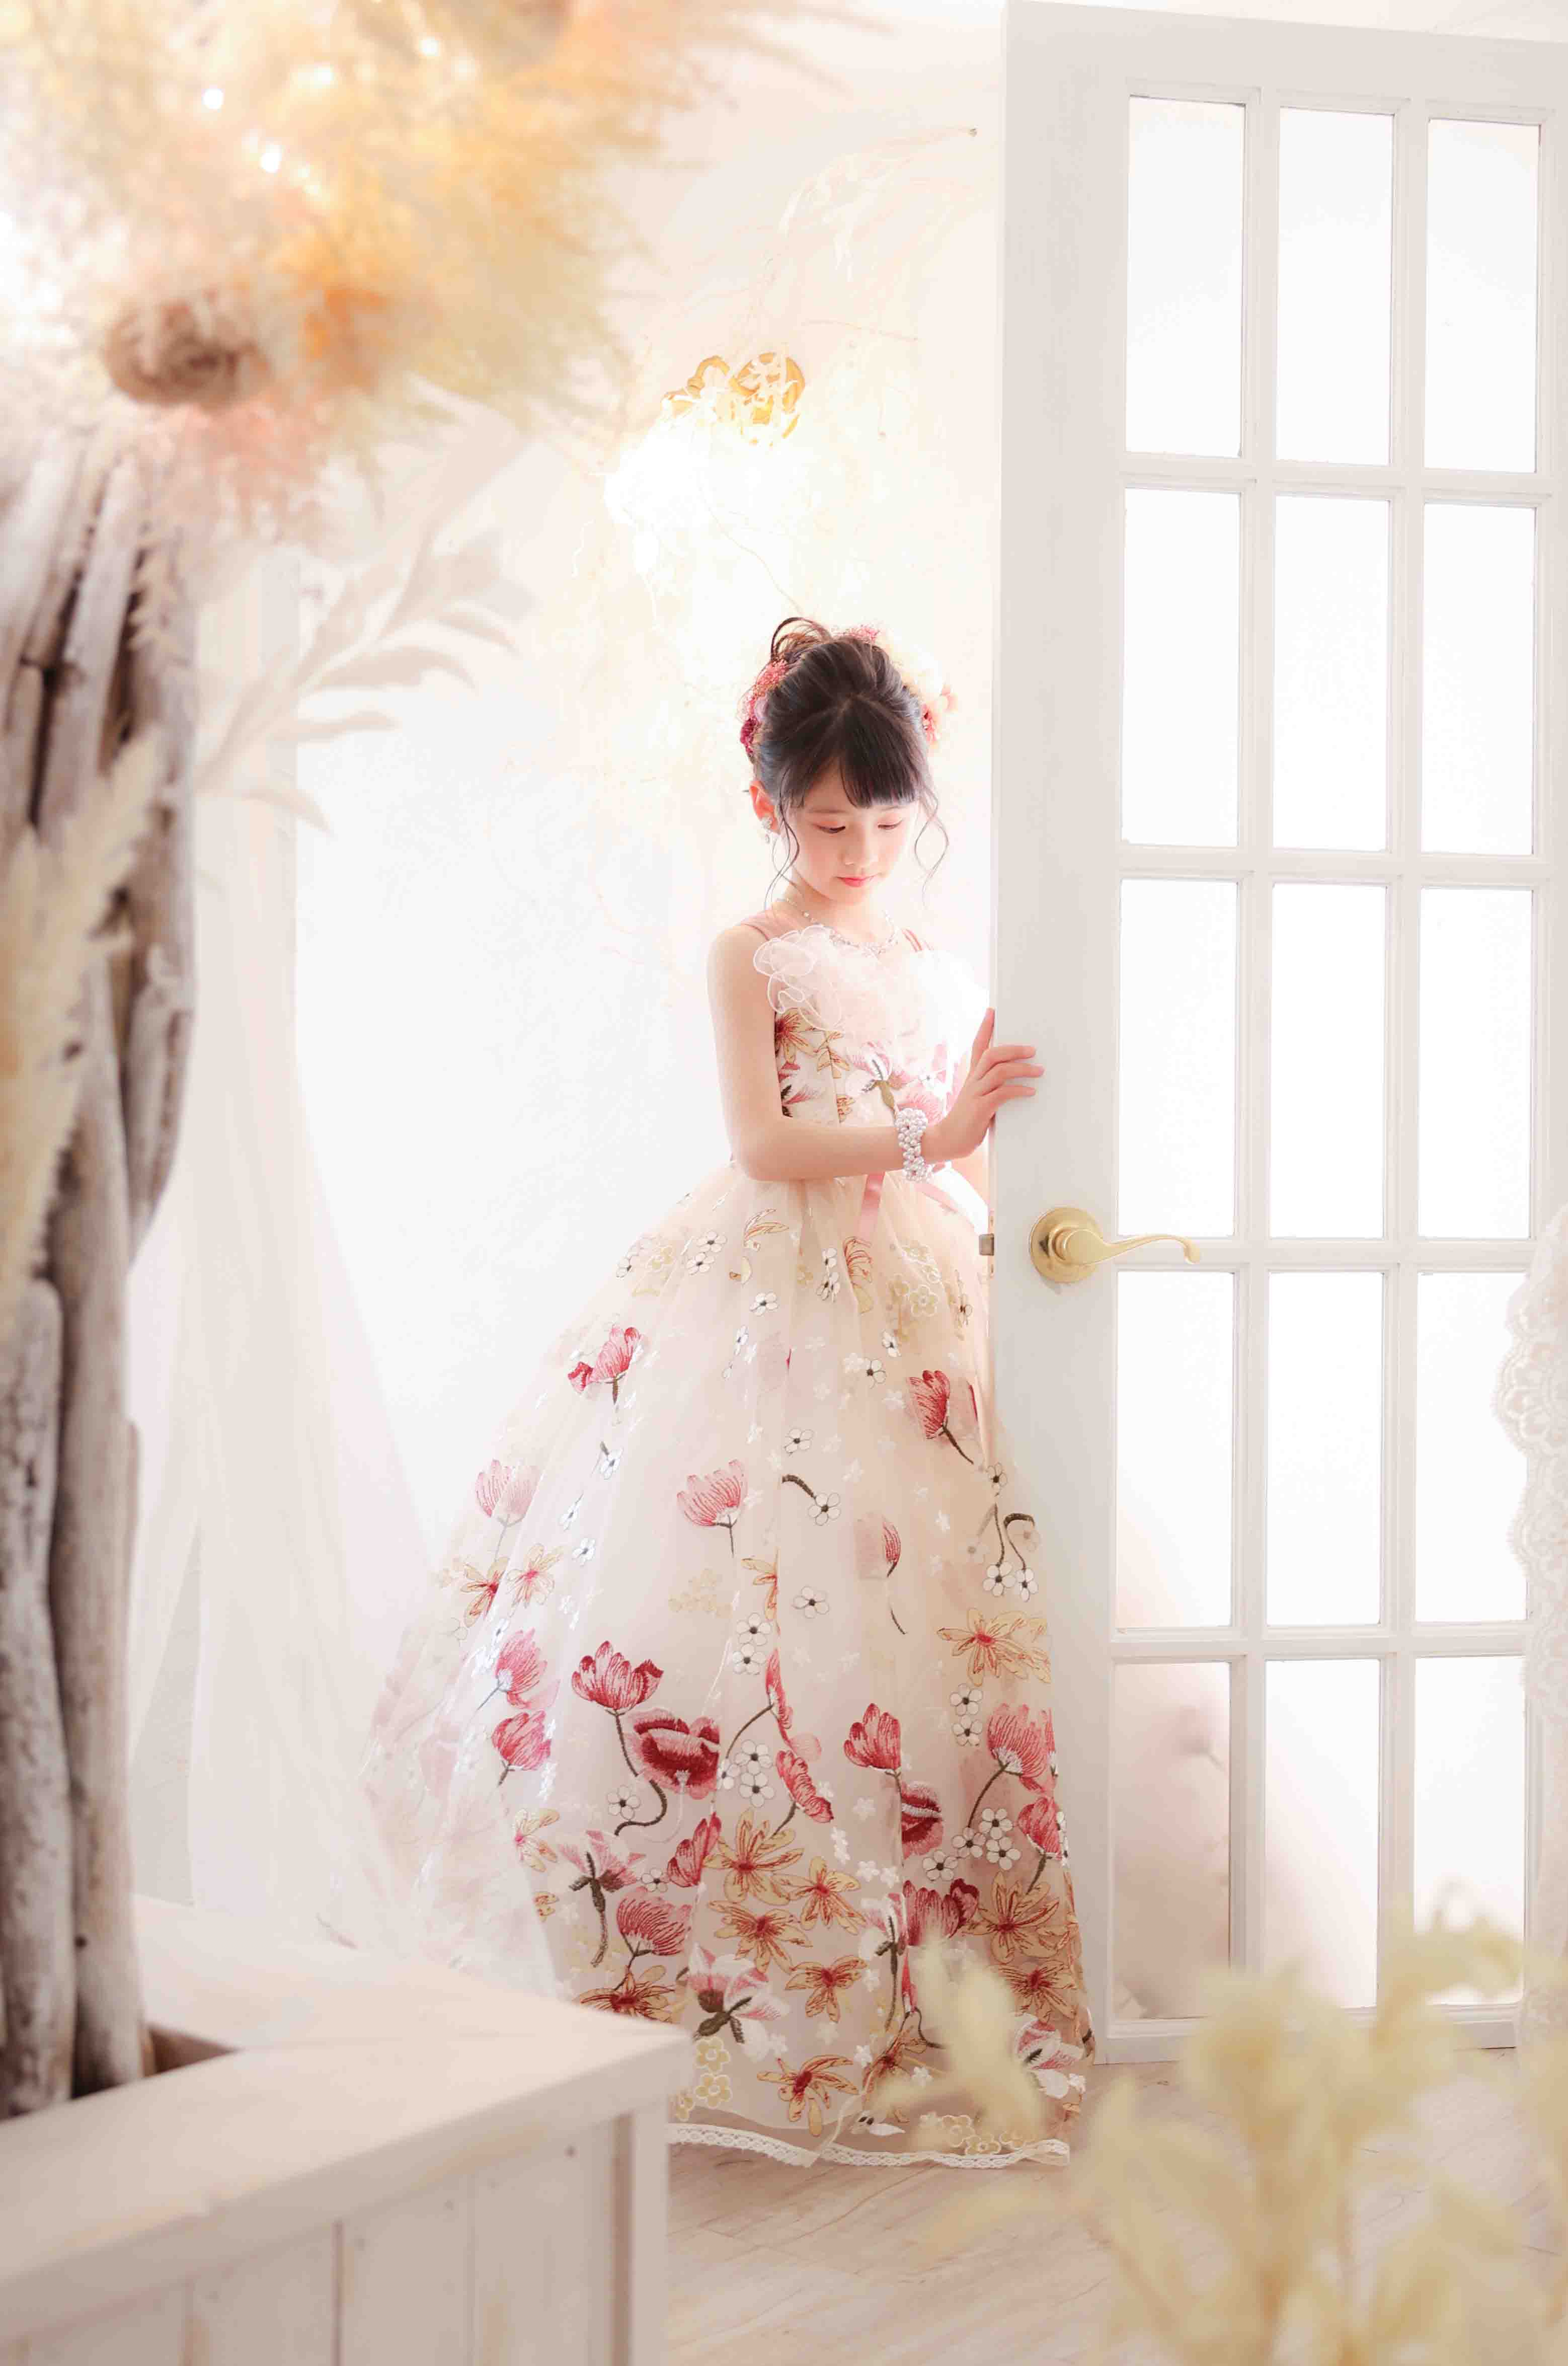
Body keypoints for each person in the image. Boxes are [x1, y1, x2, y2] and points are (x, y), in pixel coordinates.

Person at [359, 616, 1093, 2167]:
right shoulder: (749, 951)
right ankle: (742, 1954)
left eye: (884, 824)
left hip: (921, 1277)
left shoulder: (927, 953)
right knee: (767, 1589)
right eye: (829, 826)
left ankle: (943, 1945)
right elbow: (762, 1143)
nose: (859, 853)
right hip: (782, 1277)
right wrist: (936, 1138)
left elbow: (959, 1127)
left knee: (940, 1603)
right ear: (770, 805)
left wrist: (994, 1189)